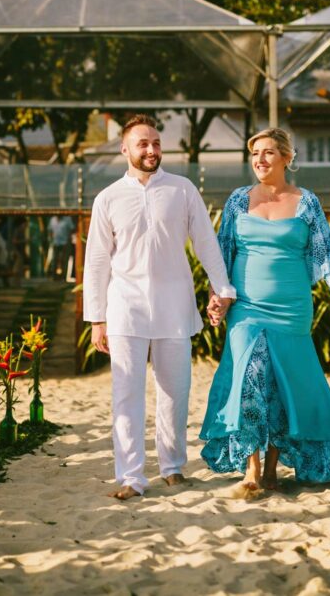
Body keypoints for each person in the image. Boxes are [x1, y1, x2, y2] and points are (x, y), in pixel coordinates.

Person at [83, 114, 235, 500]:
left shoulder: (182, 189)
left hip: (174, 306)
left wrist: (223, 288)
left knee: (175, 391)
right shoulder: (107, 198)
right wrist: (96, 318)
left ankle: (172, 467)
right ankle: (131, 476)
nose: (151, 150)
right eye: (143, 144)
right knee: (126, 394)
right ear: (125, 149)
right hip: (124, 308)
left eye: (156, 143)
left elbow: (206, 242)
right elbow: (96, 260)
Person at [199, 128, 330, 493]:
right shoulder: (238, 200)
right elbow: (222, 253)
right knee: (251, 376)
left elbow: (326, 253)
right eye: (255, 153)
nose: (260, 159)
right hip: (246, 308)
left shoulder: (307, 202)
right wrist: (217, 297)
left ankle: (272, 469)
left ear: (287, 157)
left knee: (282, 383)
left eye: (268, 152)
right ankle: (251, 468)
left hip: (291, 308)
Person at [48, 215, 75, 280]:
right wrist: (51, 240)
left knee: (64, 260)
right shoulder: (52, 220)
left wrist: (69, 240)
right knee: (54, 260)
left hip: (65, 243)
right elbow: (50, 231)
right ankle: (54, 277)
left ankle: (63, 277)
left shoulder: (68, 219)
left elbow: (72, 230)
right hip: (55, 243)